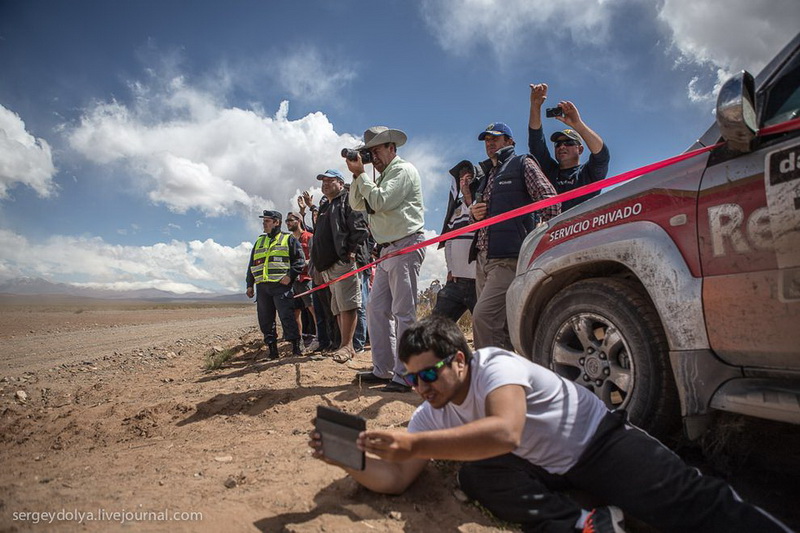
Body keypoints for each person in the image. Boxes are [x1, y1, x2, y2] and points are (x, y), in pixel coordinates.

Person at [309, 316, 791, 533]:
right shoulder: (428, 411)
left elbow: (505, 432)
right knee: (477, 474)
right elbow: (394, 479)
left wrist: (412, 446)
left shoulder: (495, 365)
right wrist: (346, 458)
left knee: (691, 507)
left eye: (429, 374)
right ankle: (587, 525)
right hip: (544, 467)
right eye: (412, 380)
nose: (421, 387)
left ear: (459, 359)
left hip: (600, 445)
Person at [346, 126, 426, 393]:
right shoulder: (377, 178)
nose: (373, 156)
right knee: (377, 309)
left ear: (392, 147)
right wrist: (359, 176)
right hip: (386, 250)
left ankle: (406, 376)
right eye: (369, 152)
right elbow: (357, 204)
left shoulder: (402, 171)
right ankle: (384, 370)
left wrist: (361, 175)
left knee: (404, 313)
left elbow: (379, 202)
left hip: (405, 244)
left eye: (377, 150)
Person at [469, 122, 560, 350]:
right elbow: (481, 217)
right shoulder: (487, 174)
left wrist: (537, 238)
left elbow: (550, 202)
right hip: (483, 259)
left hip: (508, 257)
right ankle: (510, 378)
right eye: (487, 140)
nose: (490, 144)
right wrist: (474, 215)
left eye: (496, 139)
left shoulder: (522, 163)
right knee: (502, 325)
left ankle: (489, 377)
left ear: (510, 142)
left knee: (484, 318)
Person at [311, 169, 370, 364]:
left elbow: (360, 227)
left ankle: (348, 345)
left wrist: (350, 253)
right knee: (337, 307)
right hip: (328, 267)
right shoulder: (327, 205)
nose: (325, 184)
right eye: (323, 181)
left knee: (349, 305)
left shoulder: (348, 199)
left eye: (330, 181)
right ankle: (344, 345)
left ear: (340, 182)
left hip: (343, 262)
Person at [528, 83, 610, 212]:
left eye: (568, 143)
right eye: (558, 144)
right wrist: (535, 106)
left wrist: (578, 124)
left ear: (580, 149)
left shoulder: (588, 173)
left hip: (583, 230)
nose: (562, 146)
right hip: (552, 231)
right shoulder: (550, 171)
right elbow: (536, 142)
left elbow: (602, 156)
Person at [245, 210, 306, 358]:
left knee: (287, 317)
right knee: (265, 320)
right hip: (262, 287)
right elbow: (252, 264)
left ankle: (296, 348)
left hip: (281, 286)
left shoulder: (288, 239)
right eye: (263, 221)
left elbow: (300, 260)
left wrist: (290, 276)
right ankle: (272, 351)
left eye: (267, 221)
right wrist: (249, 284)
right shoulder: (259, 241)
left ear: (276, 222)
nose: (263, 224)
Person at [432, 160, 483, 322]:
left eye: (469, 177)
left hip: (479, 282)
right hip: (456, 281)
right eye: (461, 178)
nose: (465, 181)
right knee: (436, 325)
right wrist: (450, 269)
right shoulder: (455, 210)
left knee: (487, 329)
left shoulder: (483, 207)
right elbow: (449, 242)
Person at [286, 211, 316, 350]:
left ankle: (319, 338)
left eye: (290, 220)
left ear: (298, 220)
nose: (287, 223)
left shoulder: (309, 237)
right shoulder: (288, 240)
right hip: (293, 281)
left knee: (313, 309)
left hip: (307, 278)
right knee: (295, 311)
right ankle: (299, 342)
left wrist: (302, 264)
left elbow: (316, 257)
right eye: (286, 221)